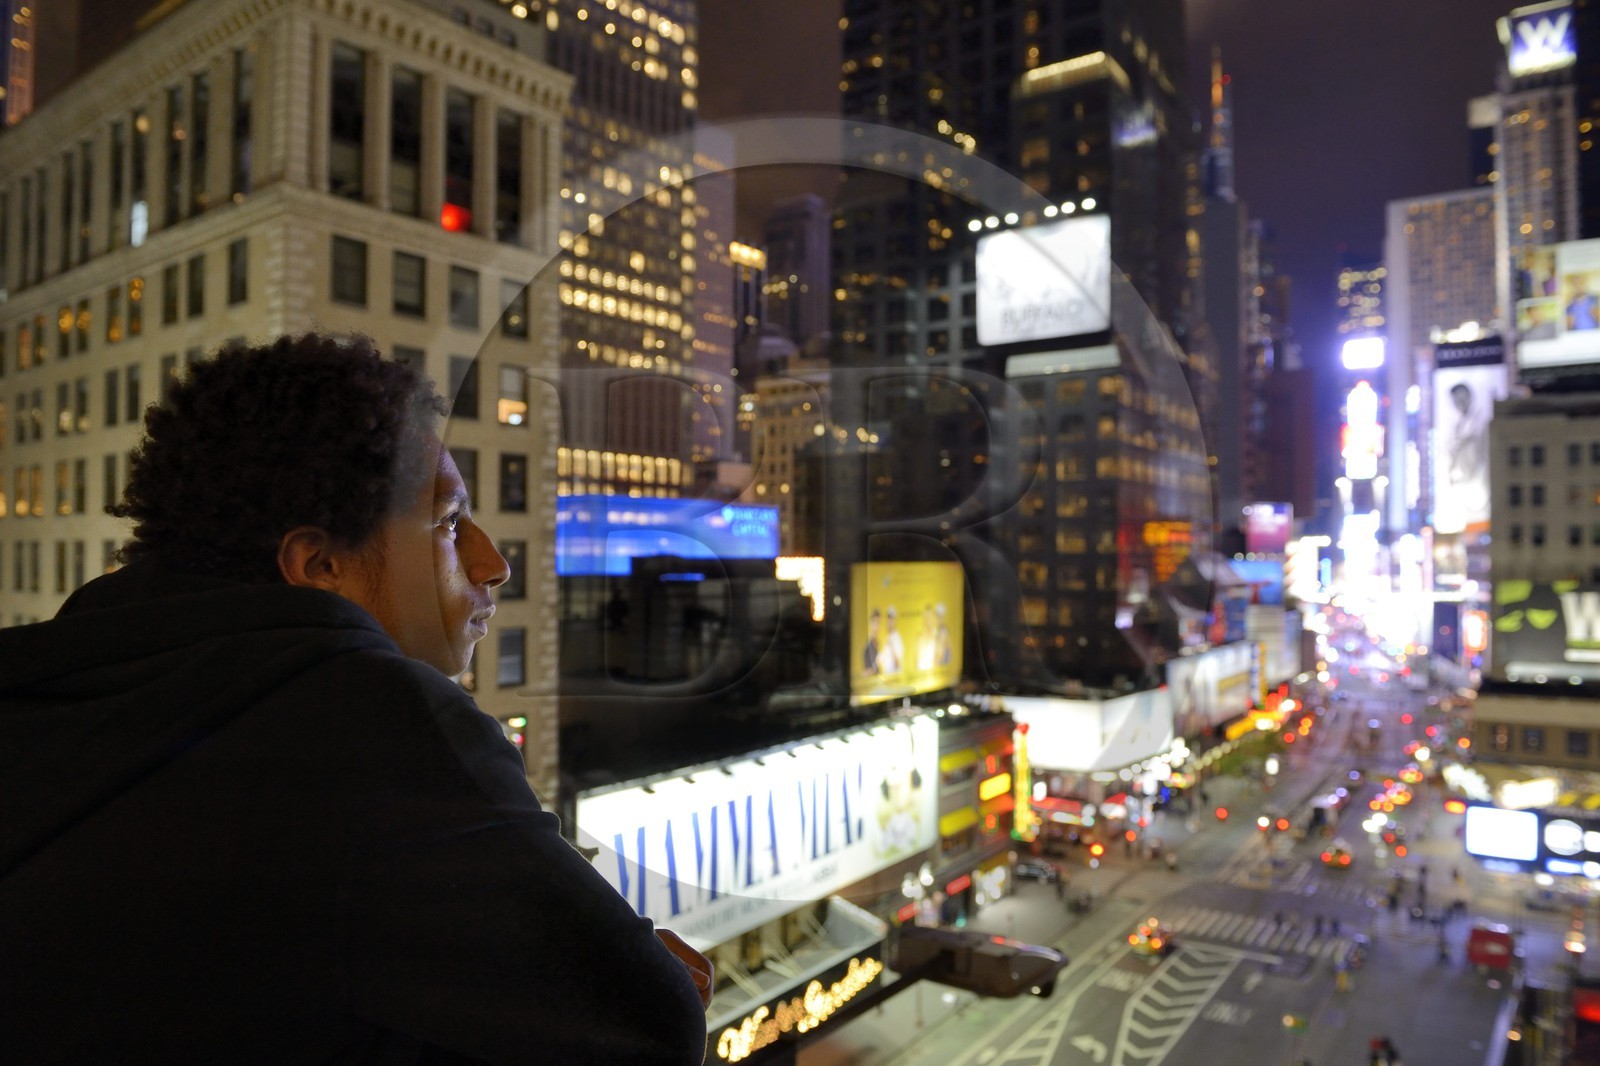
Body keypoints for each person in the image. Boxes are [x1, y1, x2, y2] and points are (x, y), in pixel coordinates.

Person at [0, 335, 711, 1064]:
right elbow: (653, 1026)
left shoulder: (50, 692)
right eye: (446, 524)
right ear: (320, 566)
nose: (492, 565)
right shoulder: (374, 723)